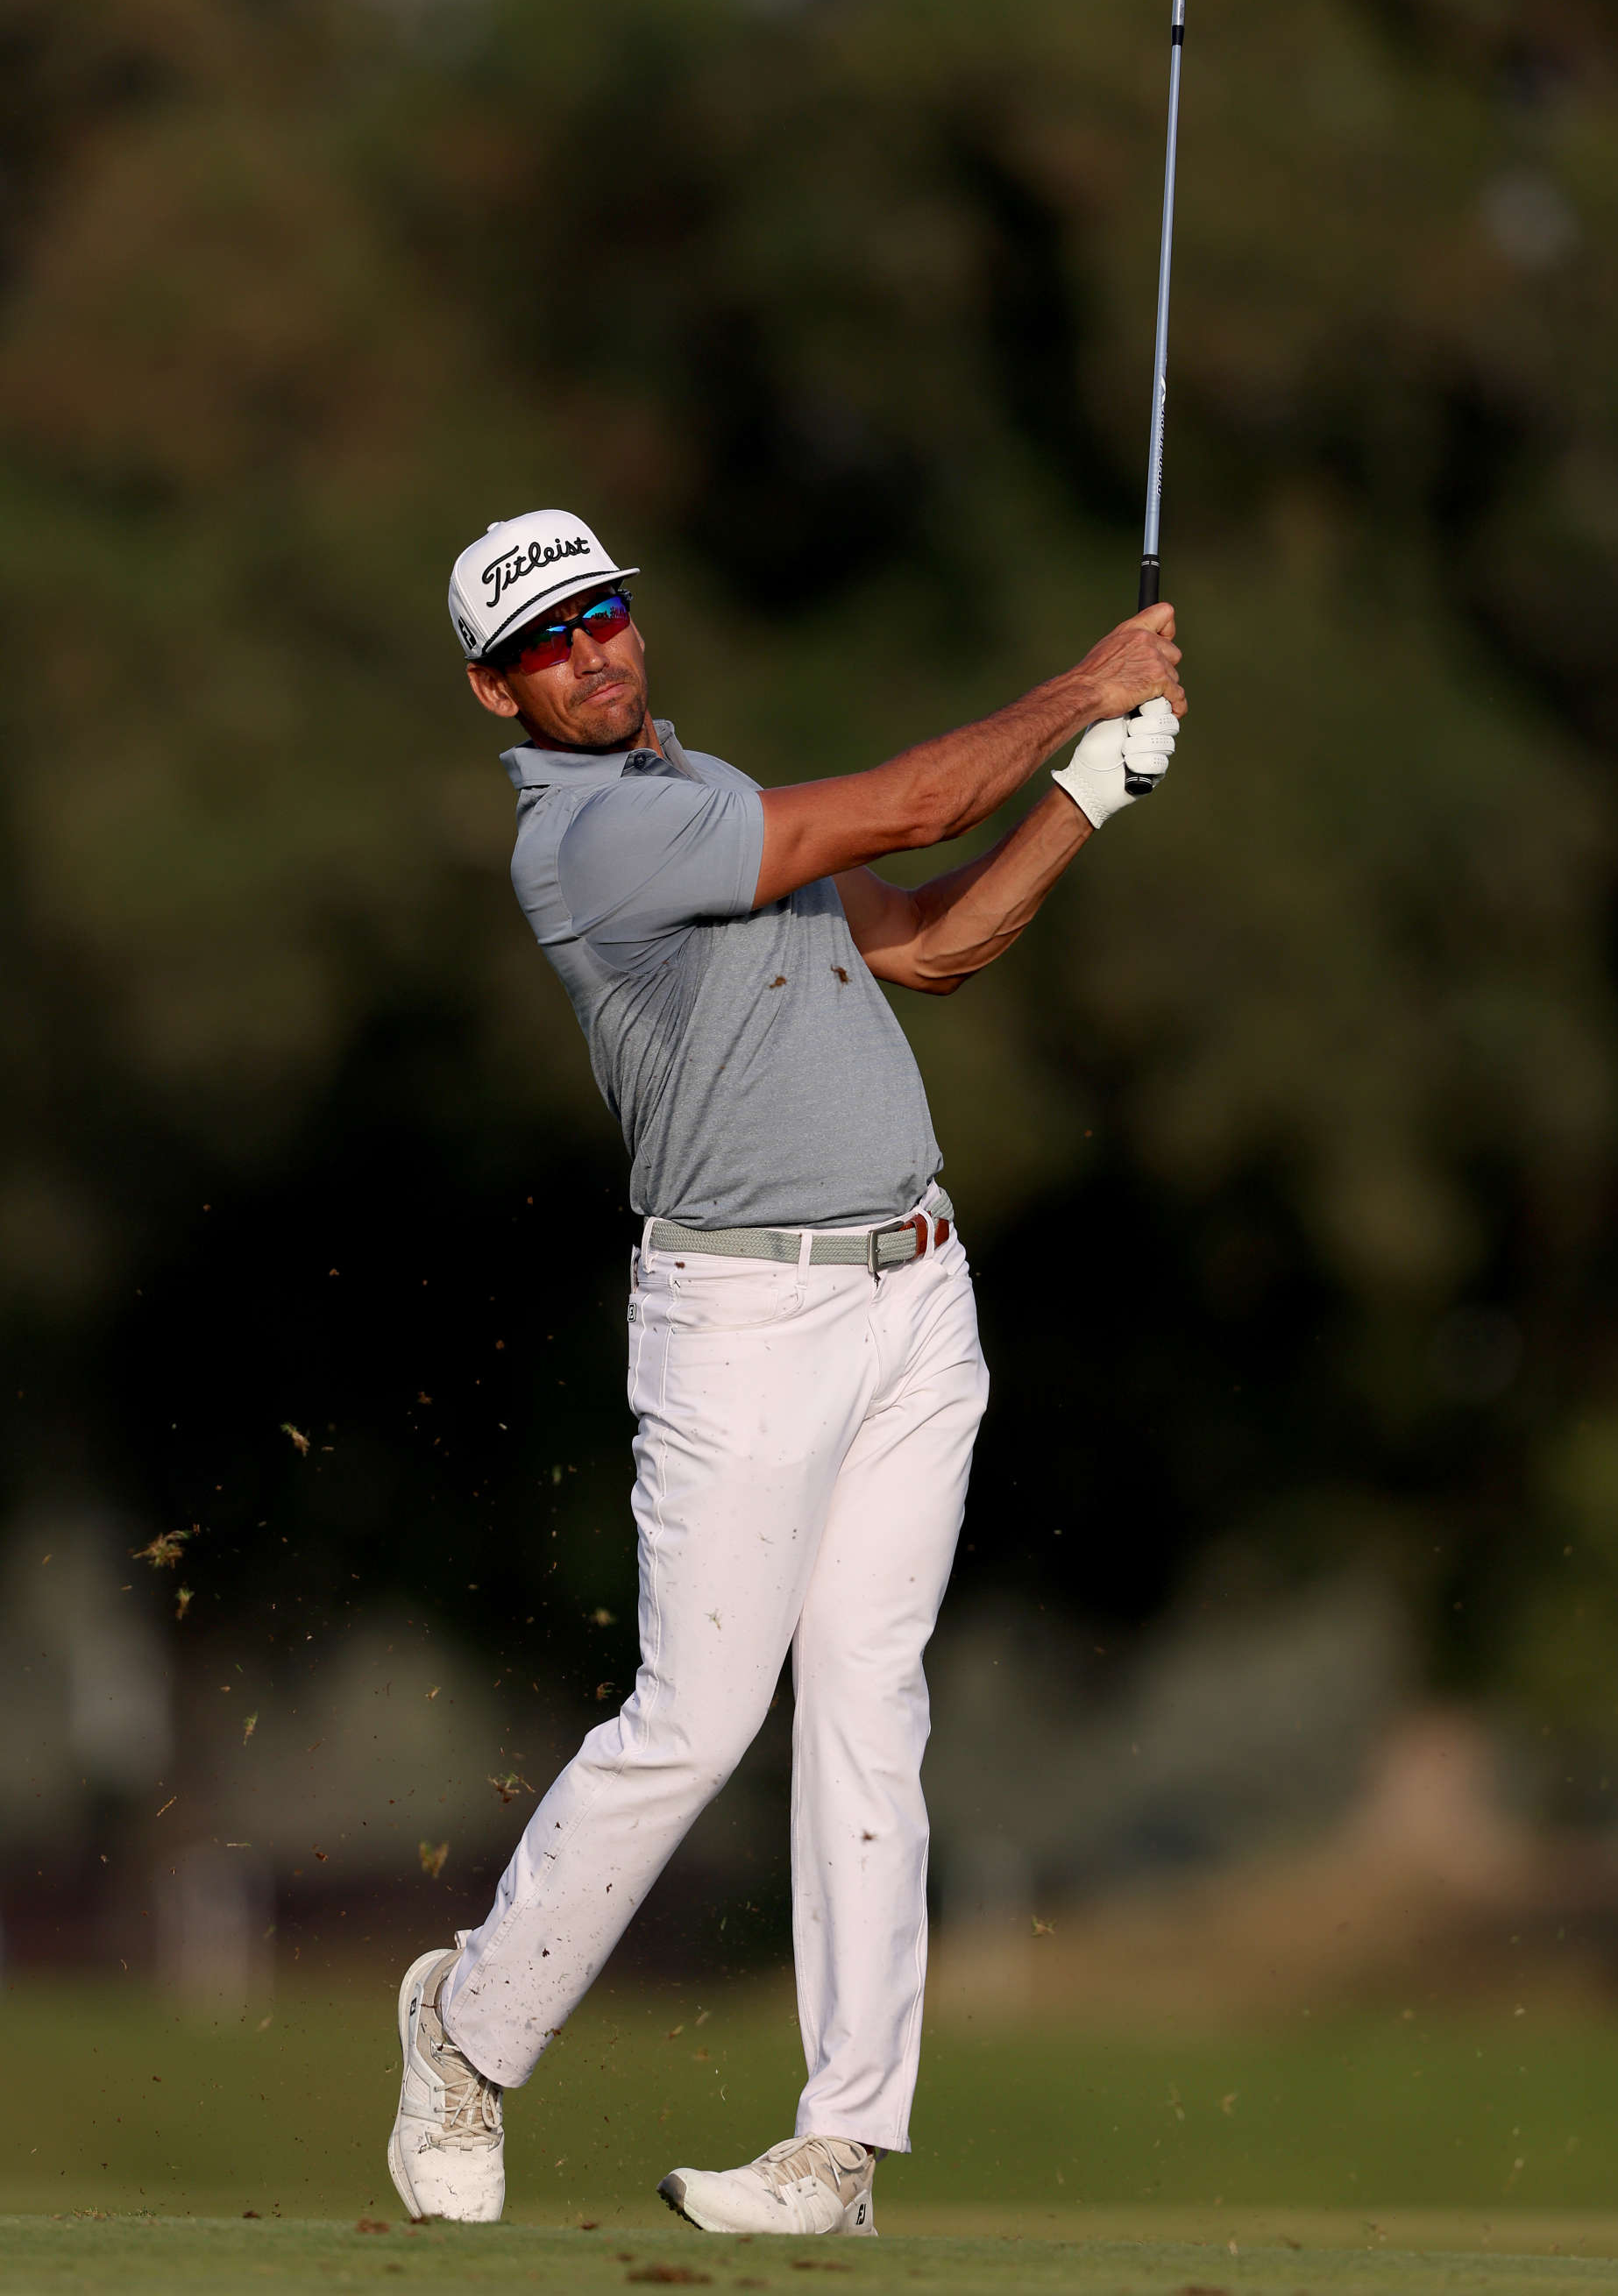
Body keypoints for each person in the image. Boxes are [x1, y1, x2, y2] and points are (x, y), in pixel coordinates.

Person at [388, 508, 1185, 2236]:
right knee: (697, 1718)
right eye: (546, 641)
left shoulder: (701, 786)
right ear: (492, 690)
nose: (590, 651)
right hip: (740, 1323)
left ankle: (838, 2154)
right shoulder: (590, 842)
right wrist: (1080, 688)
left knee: (868, 1716)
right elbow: (903, 806)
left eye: (603, 612)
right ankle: (463, 2034)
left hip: (915, 1296)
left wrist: (1087, 796)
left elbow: (925, 941)